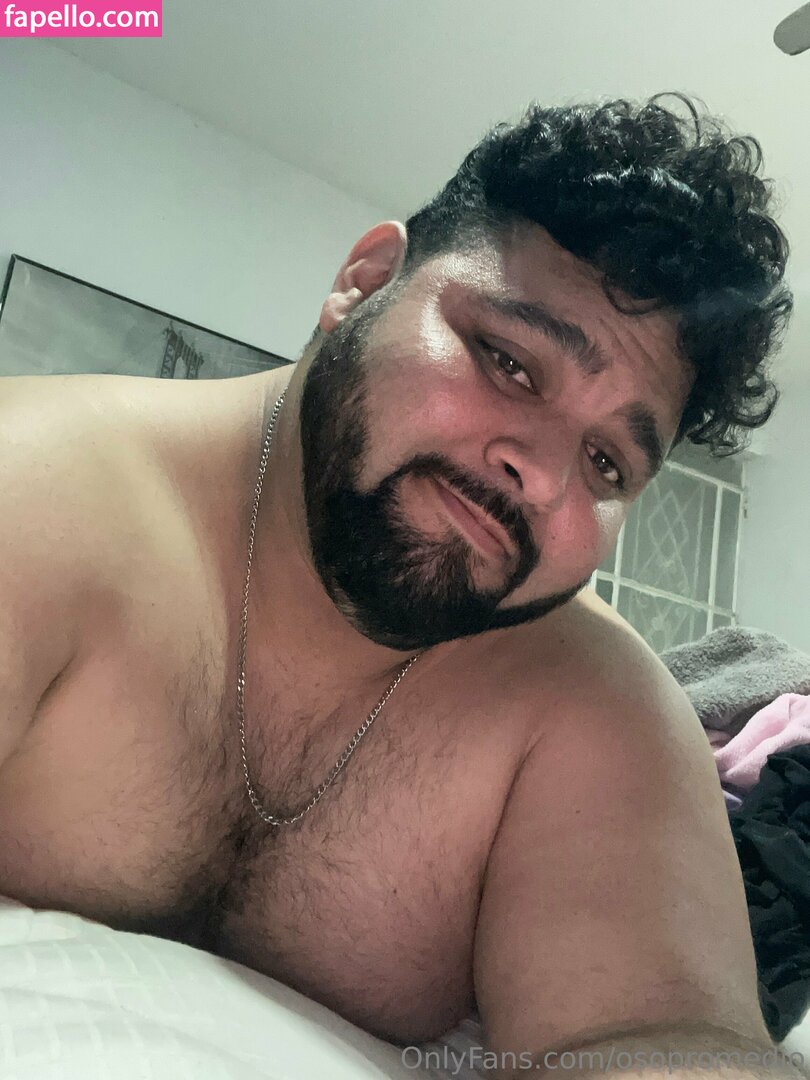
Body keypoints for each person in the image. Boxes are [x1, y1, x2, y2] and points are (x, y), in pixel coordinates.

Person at [0, 93, 799, 1078]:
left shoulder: (595, 708)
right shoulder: (37, 489)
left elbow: (663, 1033)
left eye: (606, 464)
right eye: (509, 363)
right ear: (365, 281)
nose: (541, 476)